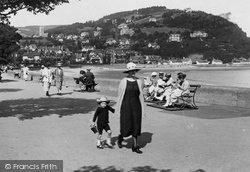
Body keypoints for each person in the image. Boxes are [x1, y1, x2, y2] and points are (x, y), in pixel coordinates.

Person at [115, 62, 146, 154]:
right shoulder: (123, 81)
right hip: (126, 104)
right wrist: (119, 107)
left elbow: (141, 93)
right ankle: (121, 137)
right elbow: (120, 94)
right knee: (126, 123)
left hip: (136, 104)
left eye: (134, 71)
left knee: (136, 123)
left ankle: (135, 146)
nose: (133, 72)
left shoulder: (139, 81)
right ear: (128, 72)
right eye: (131, 71)